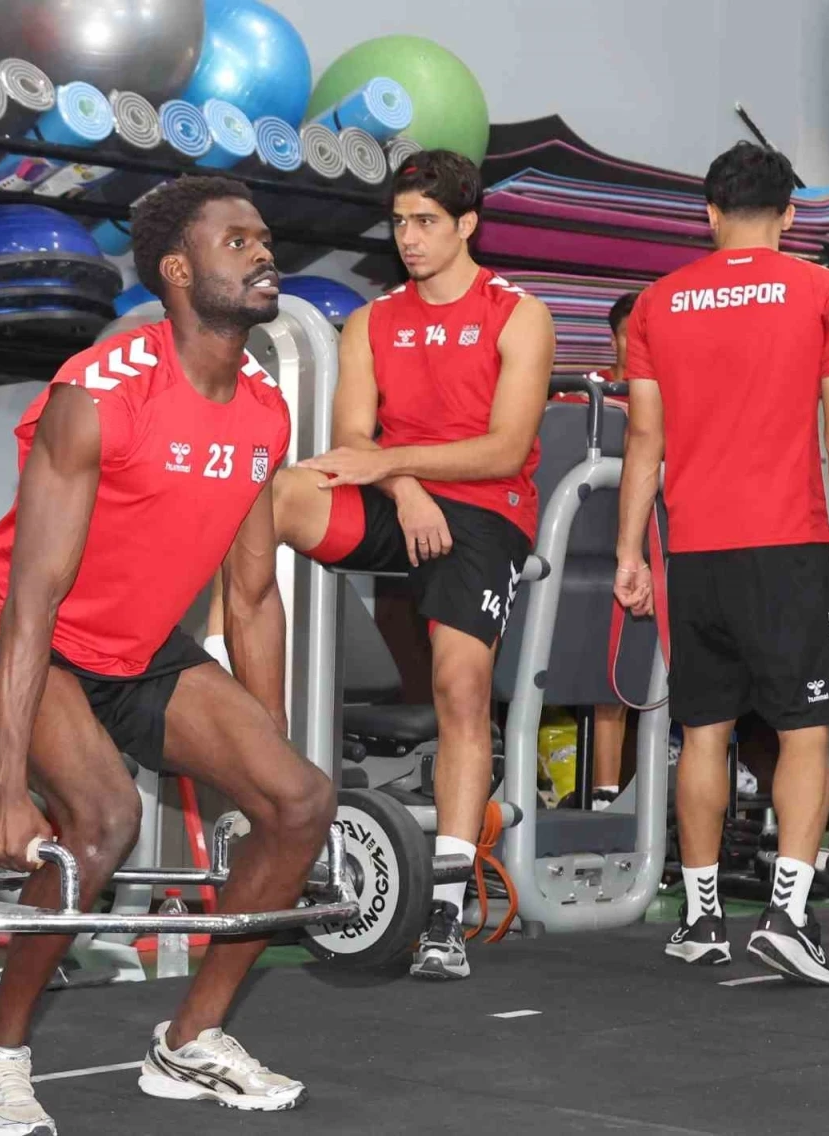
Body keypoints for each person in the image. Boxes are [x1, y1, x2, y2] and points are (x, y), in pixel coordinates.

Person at [0, 175, 335, 1133]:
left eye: (264, 238)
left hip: (138, 646)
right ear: (176, 270)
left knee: (299, 802)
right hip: (18, 633)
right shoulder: (99, 394)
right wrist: (3, 793)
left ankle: (190, 1040)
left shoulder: (264, 410)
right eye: (236, 242)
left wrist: (262, 754)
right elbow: (33, 600)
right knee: (104, 820)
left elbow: (252, 594)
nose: (263, 252)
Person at [274, 149, 555, 980]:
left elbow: (505, 449)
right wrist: (404, 488)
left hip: (487, 510)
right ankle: (237, 677)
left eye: (427, 222)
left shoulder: (519, 315)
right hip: (402, 499)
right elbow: (354, 438)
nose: (409, 238)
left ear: (467, 224)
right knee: (282, 493)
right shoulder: (372, 321)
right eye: (400, 222)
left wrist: (400, 468)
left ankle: (445, 908)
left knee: (460, 687)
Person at [613, 141, 829, 986]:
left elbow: (644, 438)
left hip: (694, 552)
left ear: (710, 214)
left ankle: (701, 920)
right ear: (791, 215)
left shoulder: (658, 303)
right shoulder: (825, 293)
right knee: (806, 731)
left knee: (704, 732)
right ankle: (789, 917)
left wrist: (629, 551)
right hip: (787, 548)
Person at [553, 292, 639, 809]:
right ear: (614, 338)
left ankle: (606, 798)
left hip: (638, 556)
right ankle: (537, 787)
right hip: (569, 554)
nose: (642, 345)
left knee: (618, 680)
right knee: (548, 672)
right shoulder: (578, 397)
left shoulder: (677, 400)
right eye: (632, 334)